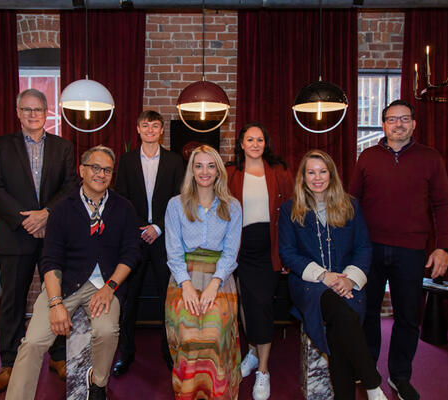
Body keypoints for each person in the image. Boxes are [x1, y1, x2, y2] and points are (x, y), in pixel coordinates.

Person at [5, 145, 140, 400]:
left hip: (105, 285)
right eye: (95, 168)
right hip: (64, 284)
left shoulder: (124, 208)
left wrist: (110, 288)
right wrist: (55, 302)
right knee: (33, 342)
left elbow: (131, 254)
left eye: (107, 170)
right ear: (82, 170)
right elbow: (50, 259)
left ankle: (98, 382)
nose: (101, 174)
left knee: (107, 331)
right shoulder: (63, 209)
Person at [350, 99, 448, 400]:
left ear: (413, 124)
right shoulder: (367, 157)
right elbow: (352, 204)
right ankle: (367, 369)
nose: (398, 124)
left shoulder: (431, 158)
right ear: (383, 124)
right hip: (370, 248)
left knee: (407, 316)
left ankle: (400, 375)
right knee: (366, 312)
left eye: (404, 119)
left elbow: (443, 204)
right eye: (392, 119)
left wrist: (443, 246)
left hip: (411, 250)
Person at [0, 88, 78, 393]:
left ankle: (58, 355)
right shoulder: (0, 146)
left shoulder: (63, 147)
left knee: (58, 297)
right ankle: (8, 364)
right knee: (13, 301)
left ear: (47, 112)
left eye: (38, 109)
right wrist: (26, 219)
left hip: (53, 233)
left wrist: (46, 214)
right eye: (26, 109)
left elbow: (70, 186)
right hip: (15, 233)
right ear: (18, 112)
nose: (32, 115)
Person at [279, 150, 387, 400]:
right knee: (339, 310)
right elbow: (287, 253)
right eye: (311, 172)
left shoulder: (351, 205)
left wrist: (349, 279)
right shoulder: (289, 209)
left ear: (332, 174)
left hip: (348, 281)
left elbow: (363, 248)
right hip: (309, 283)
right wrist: (324, 276)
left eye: (323, 171)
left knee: (341, 325)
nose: (317, 177)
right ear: (303, 177)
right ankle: (372, 385)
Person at [164, 145, 242, 399]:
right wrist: (186, 285)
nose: (204, 171)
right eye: (199, 166)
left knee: (213, 331)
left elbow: (231, 253)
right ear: (192, 171)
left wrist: (213, 285)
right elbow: (174, 252)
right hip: (183, 276)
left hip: (220, 277)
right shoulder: (176, 205)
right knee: (188, 333)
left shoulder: (233, 207)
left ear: (218, 171)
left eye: (211, 166)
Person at [113, 110, 185, 375]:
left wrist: (158, 227)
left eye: (155, 126)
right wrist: (141, 226)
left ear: (161, 131)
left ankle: (169, 353)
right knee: (129, 299)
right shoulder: (127, 160)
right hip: (135, 239)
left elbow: (180, 200)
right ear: (138, 129)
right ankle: (126, 354)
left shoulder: (175, 161)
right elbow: (121, 198)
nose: (151, 130)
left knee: (168, 300)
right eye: (146, 126)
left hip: (165, 239)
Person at [226, 122, 293, 400]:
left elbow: (291, 212)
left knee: (263, 306)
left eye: (260, 139)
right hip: (240, 249)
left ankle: (263, 370)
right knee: (245, 305)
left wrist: (288, 251)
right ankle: (252, 353)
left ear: (266, 144)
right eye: (250, 139)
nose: (255, 144)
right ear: (241, 143)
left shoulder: (279, 172)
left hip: (269, 249)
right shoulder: (231, 173)